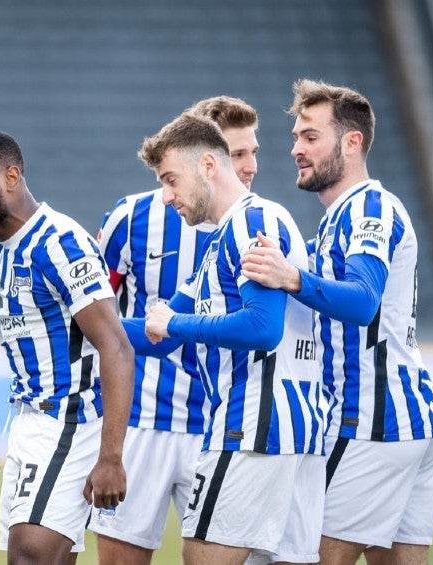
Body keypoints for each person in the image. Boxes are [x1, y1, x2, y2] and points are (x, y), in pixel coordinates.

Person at [240, 79, 433, 565]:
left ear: (352, 142)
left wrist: (293, 277)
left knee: (300, 556)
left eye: (310, 137)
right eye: (295, 138)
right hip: (406, 418)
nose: (296, 149)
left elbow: (361, 303)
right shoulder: (335, 221)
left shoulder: (370, 208)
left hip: (371, 420)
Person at [125, 112, 324, 565]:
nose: (167, 195)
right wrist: (80, 324)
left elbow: (261, 327)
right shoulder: (221, 241)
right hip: (292, 426)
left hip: (253, 423)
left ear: (209, 166)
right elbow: (156, 329)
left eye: (171, 179)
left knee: (202, 555)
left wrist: (174, 324)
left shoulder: (252, 220)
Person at [0, 130, 134, 564]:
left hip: (66, 422)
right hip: (32, 424)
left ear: (11, 176)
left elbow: (117, 346)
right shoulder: (11, 248)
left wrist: (110, 457)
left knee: (28, 557)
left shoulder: (58, 243)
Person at [90, 95, 260, 565]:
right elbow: (96, 313)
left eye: (252, 153)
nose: (249, 166)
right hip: (142, 421)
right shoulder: (132, 219)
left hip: (223, 426)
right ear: (207, 155)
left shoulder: (256, 225)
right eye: (238, 152)